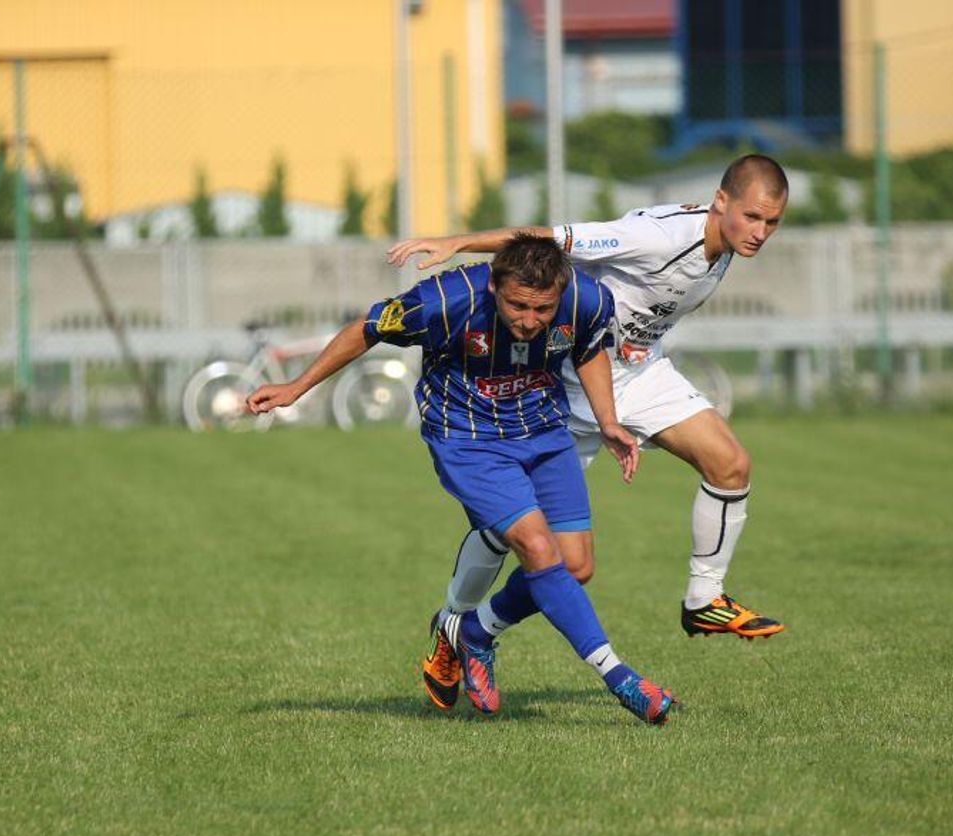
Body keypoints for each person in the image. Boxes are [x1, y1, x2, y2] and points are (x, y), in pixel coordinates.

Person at [389, 154, 789, 707]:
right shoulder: (655, 236)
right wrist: (460, 242)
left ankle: (703, 598)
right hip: (573, 381)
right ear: (721, 201)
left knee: (731, 465)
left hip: (641, 373)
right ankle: (454, 625)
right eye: (752, 218)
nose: (761, 233)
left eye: (772, 223)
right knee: (519, 540)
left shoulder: (723, 246)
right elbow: (552, 240)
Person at [247, 234, 675, 724]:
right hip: (469, 439)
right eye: (518, 306)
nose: (530, 321)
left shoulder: (584, 297)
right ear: (494, 285)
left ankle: (472, 631)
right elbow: (365, 328)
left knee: (576, 567)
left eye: (542, 309)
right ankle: (620, 677)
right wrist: (295, 388)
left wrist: (608, 421)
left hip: (543, 429)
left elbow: (587, 349)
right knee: (537, 549)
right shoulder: (444, 300)